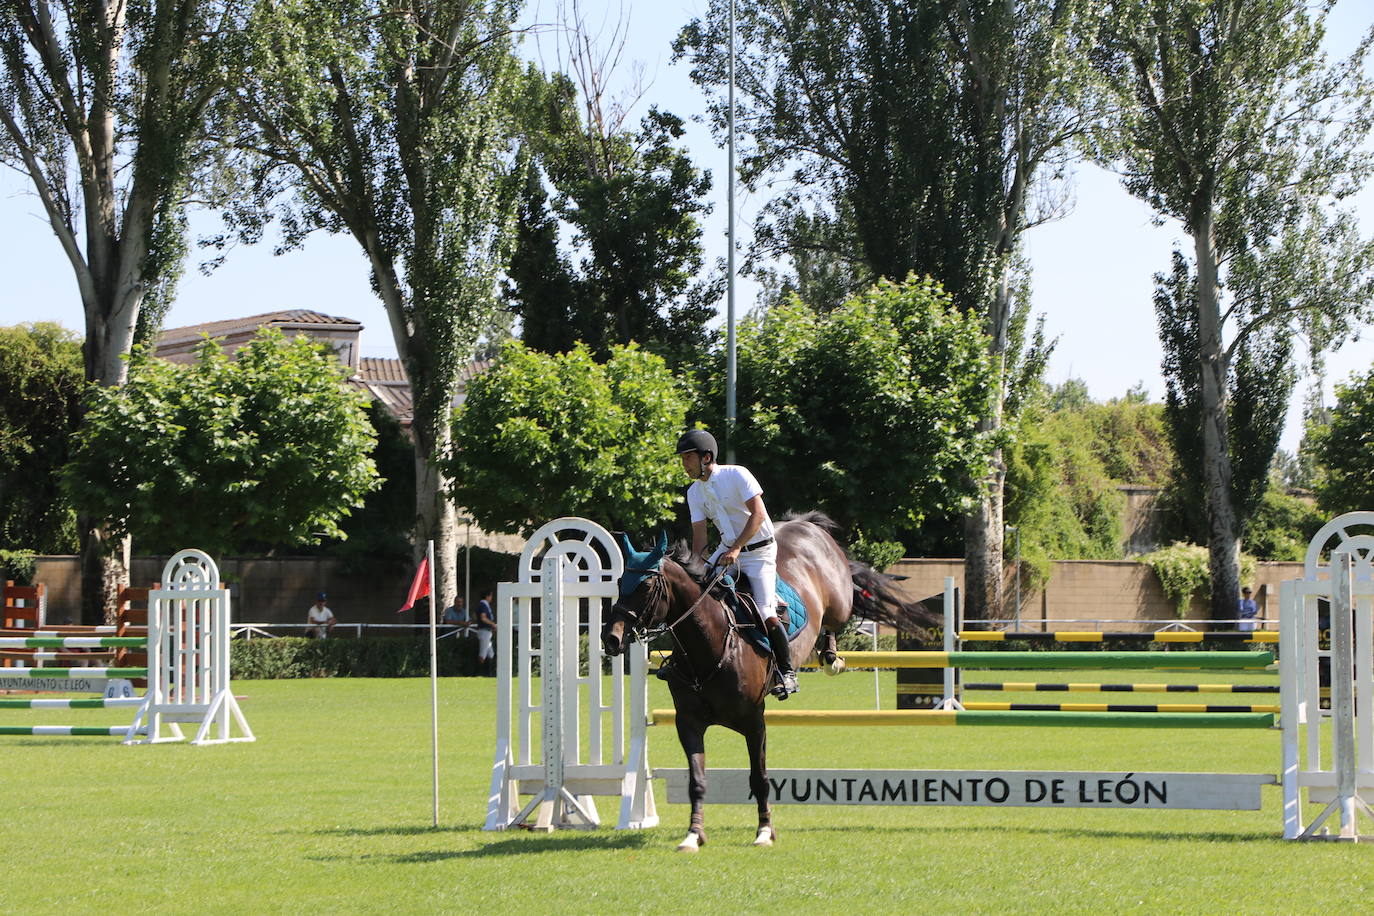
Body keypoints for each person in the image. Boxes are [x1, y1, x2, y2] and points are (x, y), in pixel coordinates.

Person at [677, 428, 796, 700]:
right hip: (726, 550)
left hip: (760, 552)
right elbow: (700, 538)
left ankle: (787, 672)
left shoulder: (737, 474)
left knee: (766, 610)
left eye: (688, 458)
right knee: (695, 598)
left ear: (706, 457)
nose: (684, 464)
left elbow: (758, 515)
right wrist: (697, 570)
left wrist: (737, 547)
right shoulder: (695, 492)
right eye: (683, 459)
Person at [474, 588, 496, 675]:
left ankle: (488, 673)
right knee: (482, 654)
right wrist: (492, 624)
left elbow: (475, 616)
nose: (491, 598)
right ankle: (477, 673)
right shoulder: (483, 605)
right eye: (490, 596)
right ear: (487, 596)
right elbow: (483, 617)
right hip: (484, 631)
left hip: (486, 631)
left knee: (490, 653)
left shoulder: (482, 605)